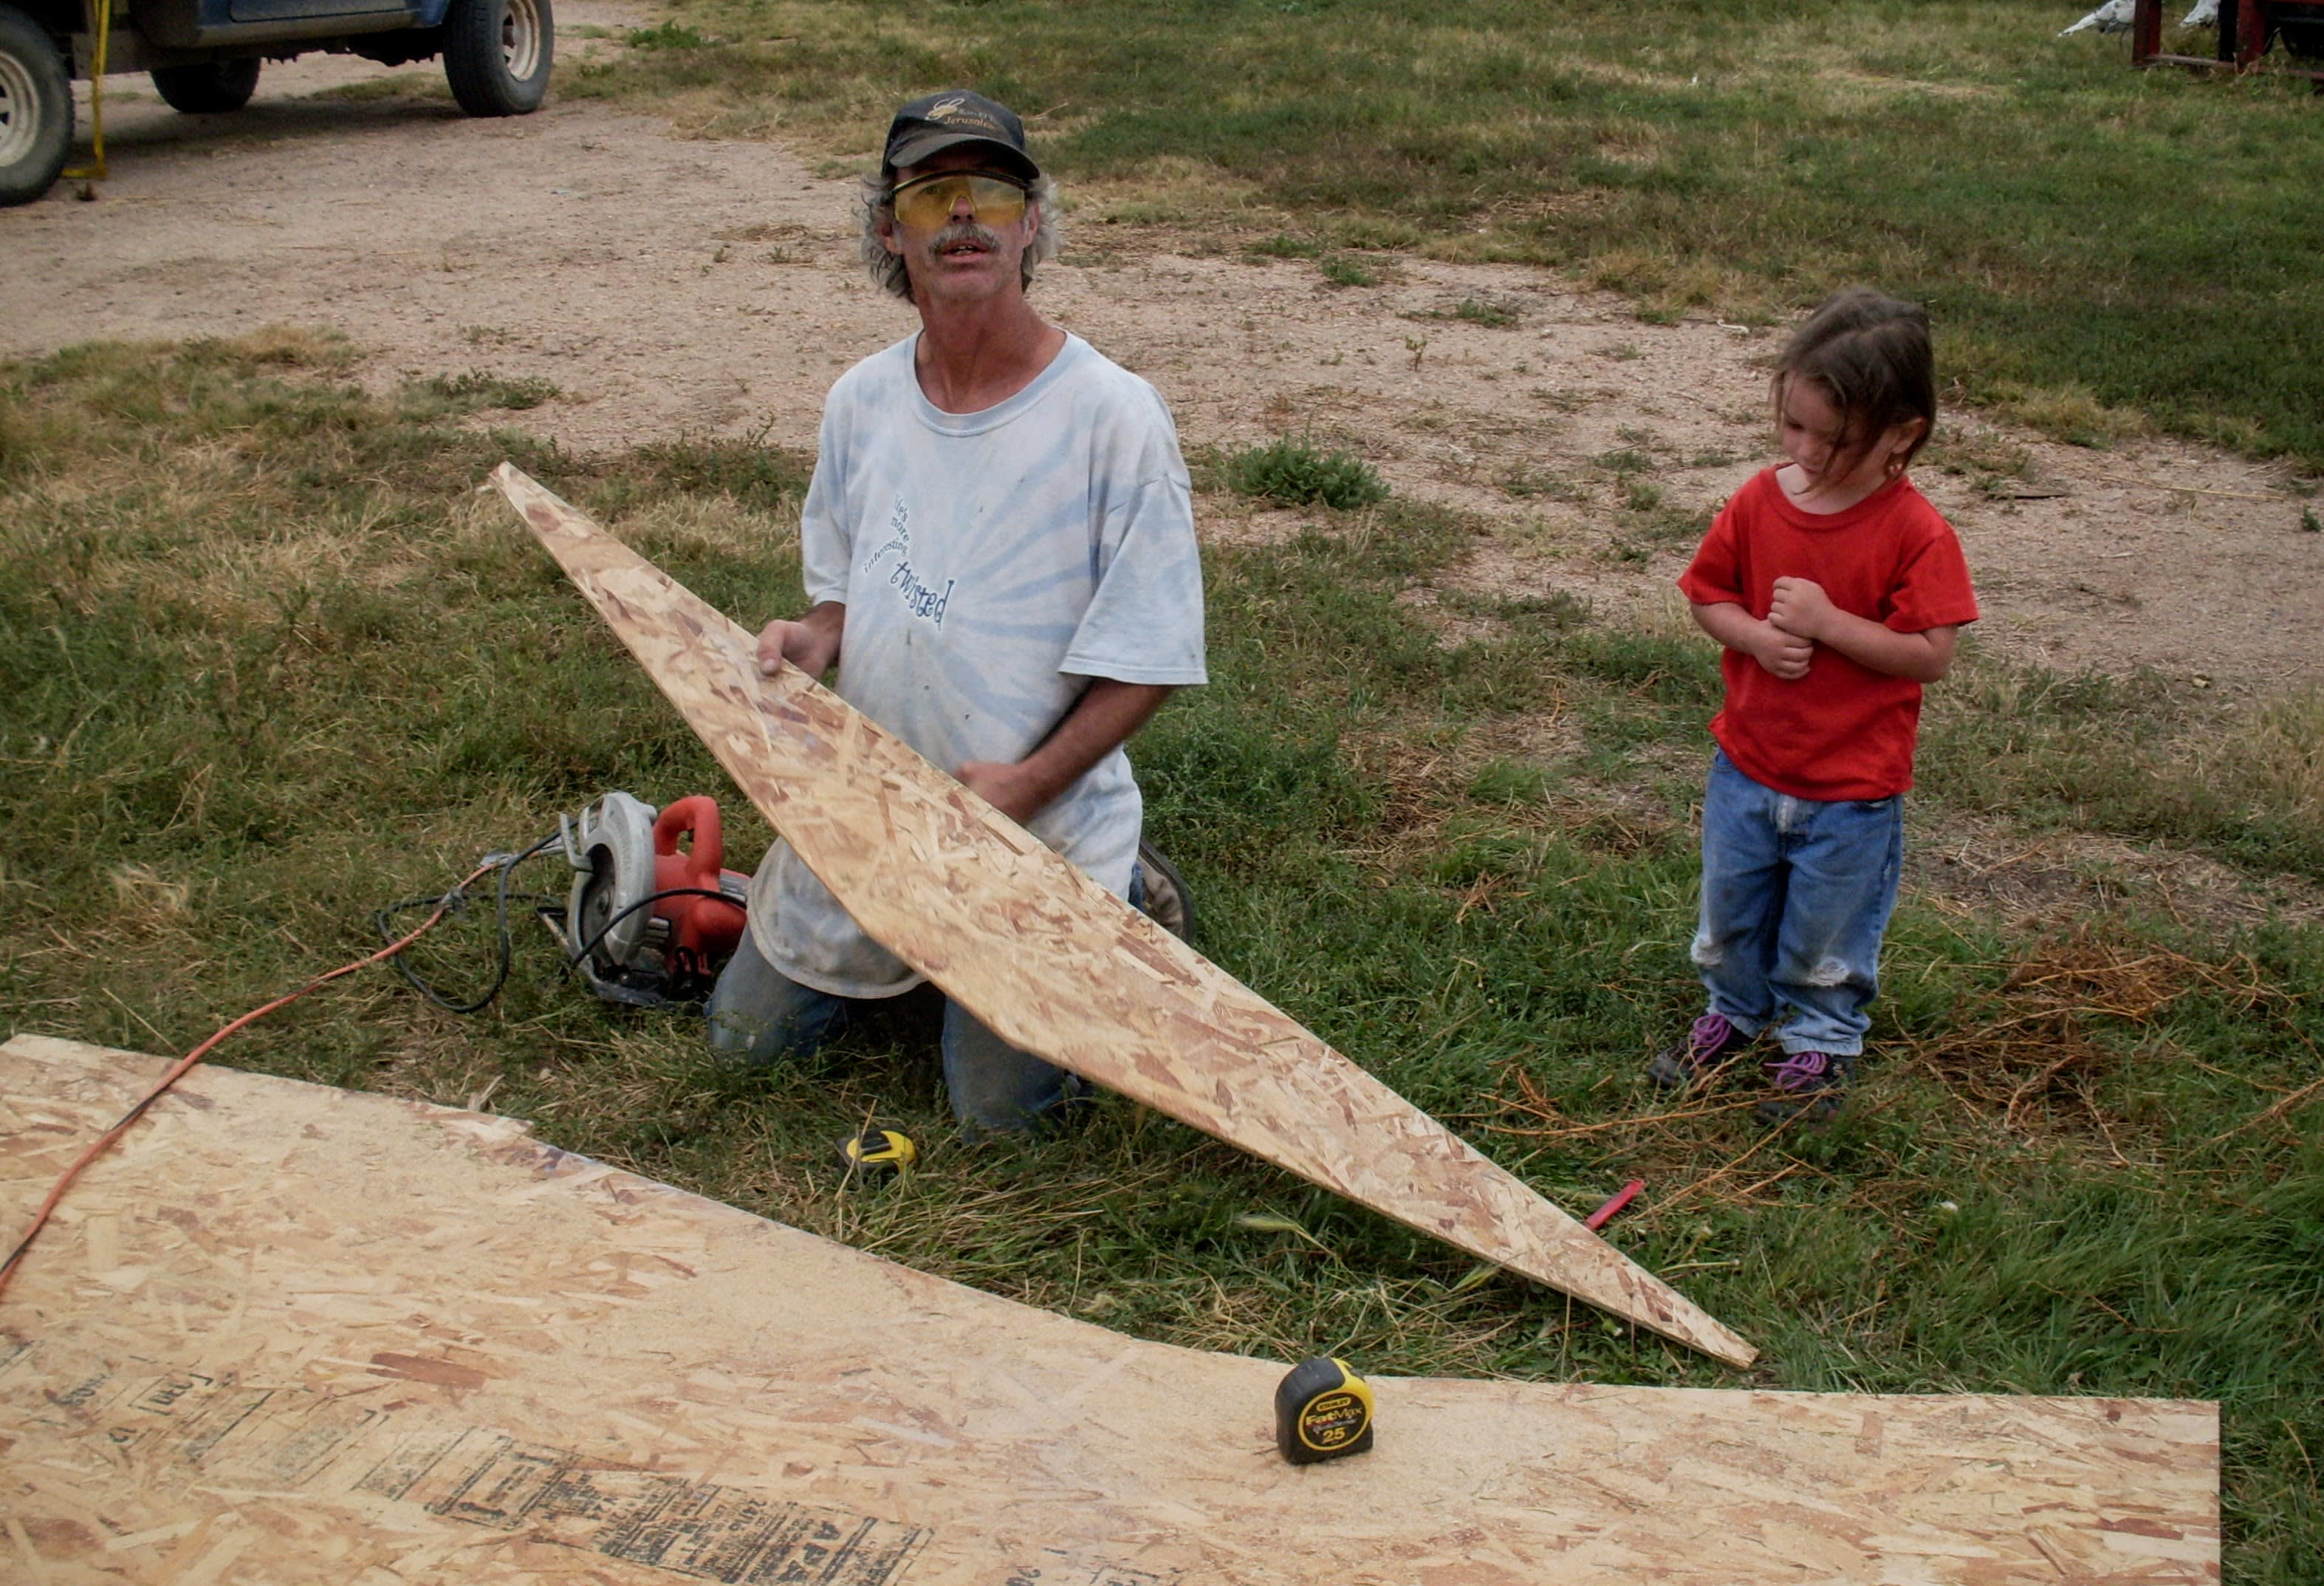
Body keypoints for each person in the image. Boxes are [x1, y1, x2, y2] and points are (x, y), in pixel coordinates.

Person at [707, 89, 1209, 1137]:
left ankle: (1115, 888)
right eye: (932, 196)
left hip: (1034, 822)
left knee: (1002, 1123)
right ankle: (907, 954)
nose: (965, 215)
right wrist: (816, 635)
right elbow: (843, 585)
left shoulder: (1112, 415)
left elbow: (1150, 656)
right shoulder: (862, 399)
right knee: (743, 1045)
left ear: (1032, 223)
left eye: (992, 192)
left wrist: (1028, 783)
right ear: (890, 231)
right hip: (876, 809)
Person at [1651, 289, 1979, 1125]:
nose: (1805, 451)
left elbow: (1931, 654)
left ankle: (1819, 1041)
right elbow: (1707, 596)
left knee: (1826, 931)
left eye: (1833, 440)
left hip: (1851, 790)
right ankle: (1734, 1012)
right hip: (1748, 766)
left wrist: (1831, 624)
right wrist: (1756, 640)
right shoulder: (1760, 500)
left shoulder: (1915, 532)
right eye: (1793, 425)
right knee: (1730, 912)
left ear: (1902, 433)